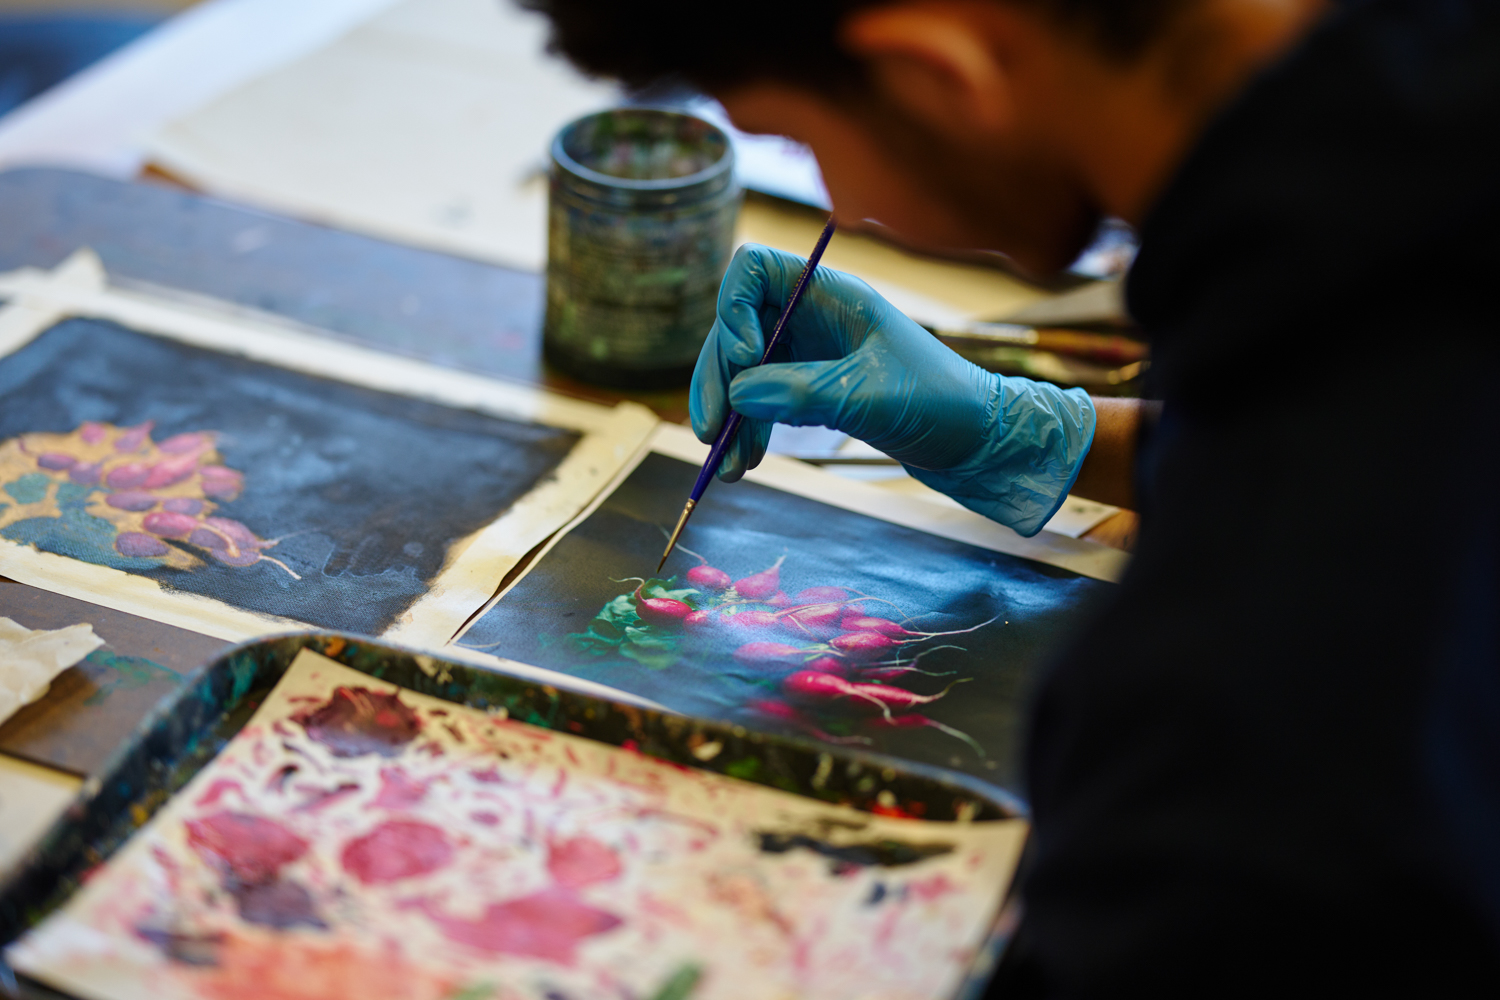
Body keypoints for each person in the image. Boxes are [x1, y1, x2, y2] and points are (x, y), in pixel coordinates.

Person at [522, 0, 1500, 992]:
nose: (837, 198)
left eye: (800, 140)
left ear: (940, 73)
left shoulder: (1232, 730)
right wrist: (1053, 434)